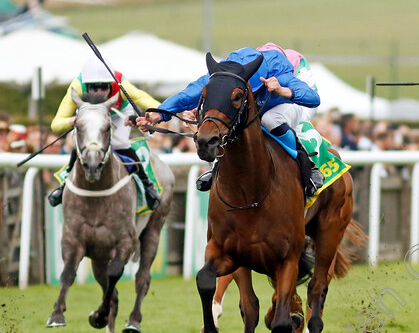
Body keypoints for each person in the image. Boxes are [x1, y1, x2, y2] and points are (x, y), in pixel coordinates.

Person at [135, 44, 323, 197]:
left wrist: (284, 91)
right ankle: (218, 167)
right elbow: (186, 96)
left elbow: (313, 98)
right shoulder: (223, 74)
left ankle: (307, 166)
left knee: (270, 119)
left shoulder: (279, 72)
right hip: (252, 76)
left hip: (296, 92)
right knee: (233, 122)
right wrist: (158, 115)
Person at [48, 55, 162, 209]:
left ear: (111, 84)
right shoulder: (76, 86)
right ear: (86, 87)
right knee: (83, 144)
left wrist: (157, 114)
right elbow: (56, 124)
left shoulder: (122, 84)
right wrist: (75, 121)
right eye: (94, 88)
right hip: (89, 115)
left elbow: (150, 102)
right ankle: (64, 185)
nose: (100, 92)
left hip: (117, 114)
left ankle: (147, 185)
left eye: (104, 87)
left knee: (118, 144)